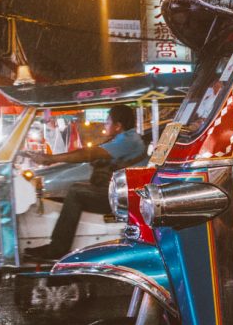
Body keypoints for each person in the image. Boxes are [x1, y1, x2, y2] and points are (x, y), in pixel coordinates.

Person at [23, 104, 146, 260]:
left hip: (121, 198)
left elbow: (89, 153)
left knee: (76, 191)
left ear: (118, 126)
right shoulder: (126, 138)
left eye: (107, 122)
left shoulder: (127, 141)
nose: (104, 125)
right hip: (118, 192)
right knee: (76, 190)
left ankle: (57, 249)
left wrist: (51, 159)